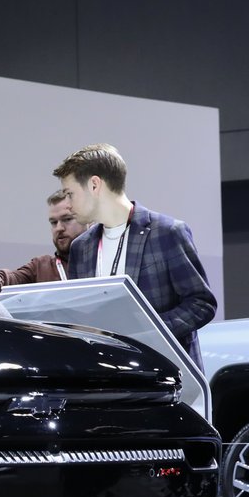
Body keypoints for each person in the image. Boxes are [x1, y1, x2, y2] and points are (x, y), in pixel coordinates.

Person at [55, 143, 217, 366]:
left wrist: (147, 333)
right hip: (106, 377)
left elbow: (202, 304)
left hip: (167, 376)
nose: (67, 204)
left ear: (94, 185)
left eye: (70, 194)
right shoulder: (81, 247)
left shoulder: (166, 232)